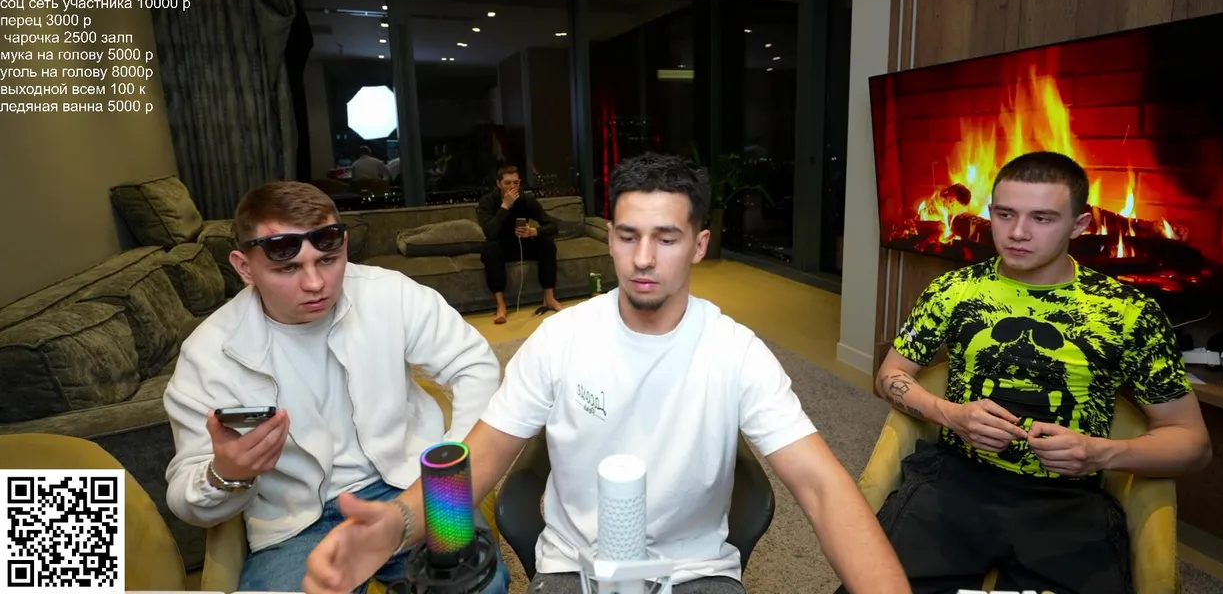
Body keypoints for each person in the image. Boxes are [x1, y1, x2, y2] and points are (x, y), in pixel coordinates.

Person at [302, 152, 911, 594]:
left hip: (694, 571)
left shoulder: (736, 351)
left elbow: (822, 487)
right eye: (628, 236)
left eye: (666, 239)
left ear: (699, 245)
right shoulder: (561, 338)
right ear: (610, 239)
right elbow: (484, 454)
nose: (643, 259)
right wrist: (402, 522)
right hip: (573, 567)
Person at [861, 151, 1212, 594]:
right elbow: (890, 375)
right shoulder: (953, 290)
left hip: (1068, 500)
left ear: (1079, 225)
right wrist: (950, 414)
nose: (1018, 233)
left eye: (1042, 218)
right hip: (956, 479)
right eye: (1005, 214)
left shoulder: (1129, 312)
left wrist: (1099, 454)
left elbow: (1193, 444)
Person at [162, 180, 511, 594]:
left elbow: (474, 364)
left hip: (413, 488)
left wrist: (450, 474)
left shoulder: (390, 293)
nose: (315, 283)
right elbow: (186, 500)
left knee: (480, 585)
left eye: (328, 260)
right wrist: (226, 474)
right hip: (295, 525)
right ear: (244, 267)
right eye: (288, 268)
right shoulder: (207, 353)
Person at [476, 163, 563, 324]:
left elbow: (552, 226)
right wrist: (505, 206)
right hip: (501, 246)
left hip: (523, 244)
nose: (512, 187)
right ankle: (501, 304)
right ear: (498, 183)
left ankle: (549, 298)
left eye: (515, 183)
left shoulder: (526, 199)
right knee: (490, 249)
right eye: (507, 183)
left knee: (547, 244)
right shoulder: (487, 202)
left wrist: (534, 232)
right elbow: (490, 231)